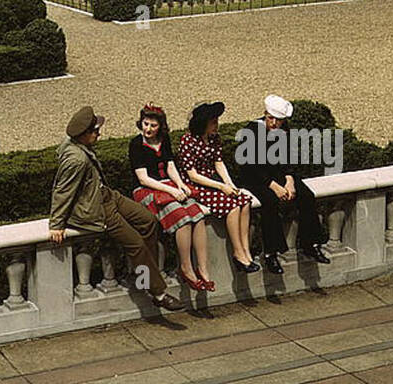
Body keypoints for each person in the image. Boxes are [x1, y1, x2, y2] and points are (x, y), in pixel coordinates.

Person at [49, 105, 184, 310]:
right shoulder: (75, 159)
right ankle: (158, 292)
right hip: (98, 208)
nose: (99, 133)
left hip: (107, 195)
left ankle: (144, 273)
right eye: (95, 131)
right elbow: (62, 190)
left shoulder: (77, 144)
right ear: (83, 135)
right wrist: (56, 224)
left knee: (148, 221)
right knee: (136, 244)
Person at [231, 94, 332, 273]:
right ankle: (271, 253)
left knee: (307, 196)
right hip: (255, 178)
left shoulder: (285, 130)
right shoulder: (252, 131)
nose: (275, 124)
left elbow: (289, 158)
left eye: (279, 120)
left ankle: (311, 243)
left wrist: (289, 180)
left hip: (278, 175)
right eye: (272, 119)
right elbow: (250, 166)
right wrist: (273, 185)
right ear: (265, 115)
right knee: (270, 202)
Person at [129, 103, 214, 292]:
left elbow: (170, 166)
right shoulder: (136, 144)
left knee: (197, 214)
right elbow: (143, 178)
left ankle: (203, 268)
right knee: (182, 219)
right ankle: (186, 267)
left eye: (153, 125)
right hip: (147, 190)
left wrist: (180, 185)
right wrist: (171, 191)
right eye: (145, 124)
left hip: (167, 185)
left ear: (161, 126)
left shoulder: (164, 139)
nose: (148, 129)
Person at [176, 101, 259, 273]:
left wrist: (229, 183)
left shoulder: (214, 138)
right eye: (213, 122)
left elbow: (218, 162)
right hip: (197, 185)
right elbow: (192, 175)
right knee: (233, 207)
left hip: (213, 180)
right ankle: (237, 252)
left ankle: (245, 249)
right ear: (202, 123)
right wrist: (221, 187)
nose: (217, 125)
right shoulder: (187, 140)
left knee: (245, 201)